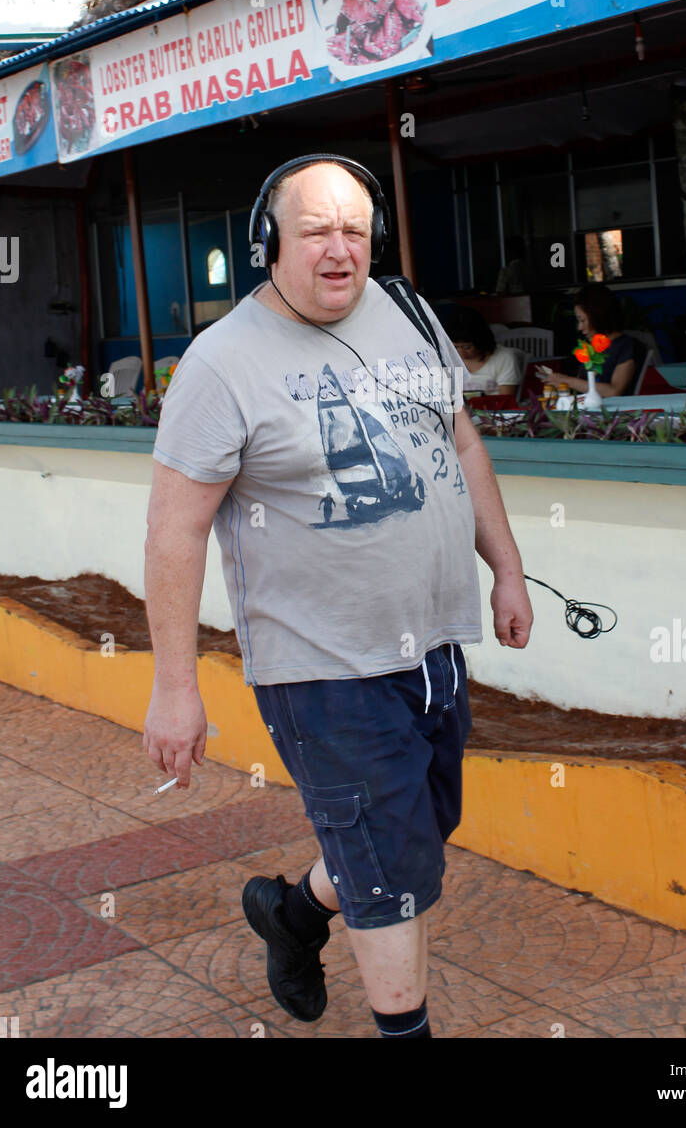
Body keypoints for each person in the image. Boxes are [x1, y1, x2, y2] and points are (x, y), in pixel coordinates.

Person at [142, 157, 534, 1040]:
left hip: (433, 646)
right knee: (392, 874)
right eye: (315, 230)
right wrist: (176, 684)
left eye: (354, 231)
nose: (338, 251)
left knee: (417, 832)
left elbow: (462, 445)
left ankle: (295, 914)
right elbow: (174, 532)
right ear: (268, 242)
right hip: (325, 667)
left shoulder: (407, 311)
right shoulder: (221, 364)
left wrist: (505, 568)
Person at [556, 283, 638, 398]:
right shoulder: (590, 345)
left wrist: (565, 380)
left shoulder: (625, 346)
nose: (579, 327)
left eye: (583, 320)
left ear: (598, 316)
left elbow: (613, 392)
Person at [443, 305, 522, 398]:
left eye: (466, 347)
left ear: (481, 341)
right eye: (455, 347)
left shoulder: (504, 357)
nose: (460, 352)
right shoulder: (445, 358)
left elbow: (505, 399)